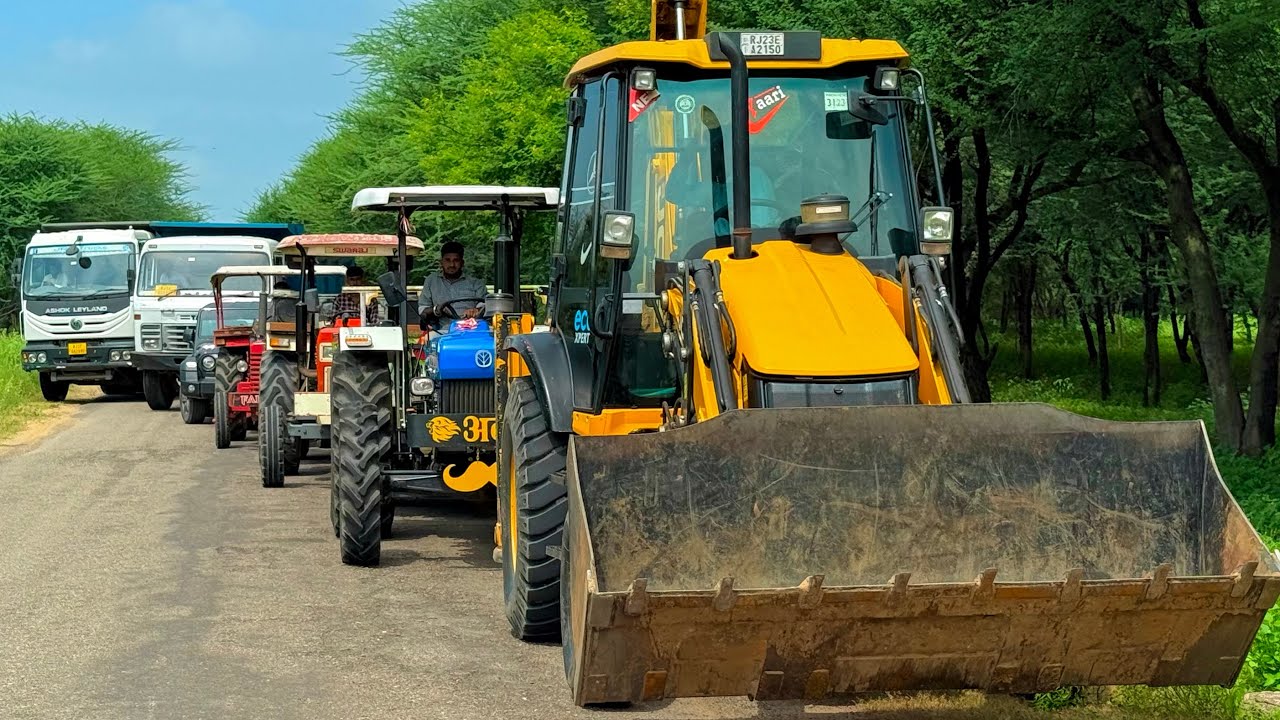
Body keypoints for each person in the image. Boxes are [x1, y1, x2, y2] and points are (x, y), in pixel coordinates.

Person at [417, 240, 486, 334]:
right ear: (441, 262)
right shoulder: (431, 281)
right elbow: (423, 310)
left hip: (471, 331)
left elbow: (486, 305)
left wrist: (476, 310)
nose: (452, 265)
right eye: (447, 260)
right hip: (441, 331)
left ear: (462, 263)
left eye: (456, 260)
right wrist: (437, 309)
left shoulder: (476, 283)